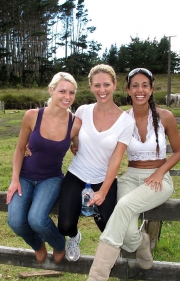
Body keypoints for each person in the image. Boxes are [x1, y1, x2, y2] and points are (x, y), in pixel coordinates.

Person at [87, 68, 180, 280]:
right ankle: (142, 242)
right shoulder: (122, 119)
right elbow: (102, 142)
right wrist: (75, 143)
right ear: (128, 90)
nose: (140, 90)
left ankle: (96, 276)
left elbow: (179, 151)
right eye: (135, 86)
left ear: (151, 89)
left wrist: (160, 172)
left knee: (122, 207)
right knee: (129, 234)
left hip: (158, 180)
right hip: (130, 177)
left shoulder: (166, 116)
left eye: (144, 86)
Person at [58, 64, 135, 262]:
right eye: (97, 85)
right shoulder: (83, 111)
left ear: (115, 85)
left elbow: (117, 158)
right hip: (77, 174)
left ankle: (109, 255)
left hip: (103, 178)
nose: (102, 90)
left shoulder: (126, 121)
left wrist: (102, 192)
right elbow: (69, 133)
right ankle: (74, 237)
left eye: (107, 85)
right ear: (91, 86)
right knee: (65, 226)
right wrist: (71, 143)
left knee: (108, 224)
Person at [6, 72, 82, 264]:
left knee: (37, 219)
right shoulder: (32, 116)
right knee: (15, 222)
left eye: (71, 93)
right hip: (24, 176)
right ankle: (37, 244)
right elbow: (19, 148)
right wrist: (15, 179)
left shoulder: (75, 123)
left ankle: (59, 244)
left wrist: (76, 145)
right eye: (62, 91)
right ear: (52, 90)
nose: (67, 96)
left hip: (52, 178)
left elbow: (79, 146)